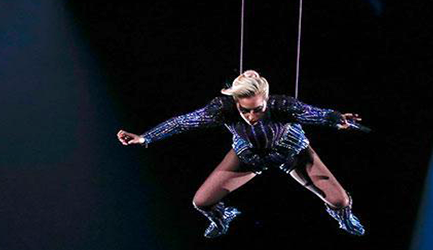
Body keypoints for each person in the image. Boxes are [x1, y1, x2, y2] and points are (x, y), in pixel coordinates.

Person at [117, 70, 366, 238]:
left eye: (257, 110)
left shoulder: (283, 106)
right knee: (201, 202)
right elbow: (183, 122)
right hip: (248, 155)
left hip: (292, 151)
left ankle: (344, 218)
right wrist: (145, 137)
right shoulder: (222, 110)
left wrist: (338, 120)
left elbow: (316, 114)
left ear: (266, 100)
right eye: (245, 111)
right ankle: (222, 218)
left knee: (339, 200)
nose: (251, 117)